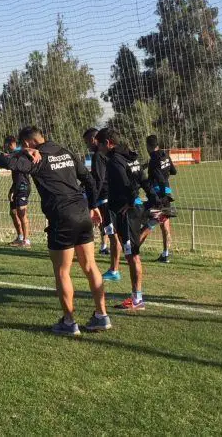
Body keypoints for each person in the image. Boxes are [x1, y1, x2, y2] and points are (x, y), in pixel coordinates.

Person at [0, 126, 111, 335]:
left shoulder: (38, 158)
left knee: (62, 271)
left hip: (62, 217)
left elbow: (8, 162)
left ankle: (69, 321)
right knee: (90, 266)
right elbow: (90, 179)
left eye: (22, 145)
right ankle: (102, 316)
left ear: (27, 143)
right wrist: (93, 205)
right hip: (83, 214)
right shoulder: (65, 151)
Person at [96, 128, 147, 311]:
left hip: (127, 212)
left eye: (100, 144)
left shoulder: (114, 160)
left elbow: (128, 183)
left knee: (132, 255)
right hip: (133, 209)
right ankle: (136, 298)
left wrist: (131, 202)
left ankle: (136, 300)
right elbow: (141, 178)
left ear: (108, 143)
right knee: (132, 253)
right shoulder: (130, 155)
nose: (98, 148)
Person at [83, 128, 122, 281]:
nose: (87, 145)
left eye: (88, 142)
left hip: (105, 200)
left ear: (94, 139)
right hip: (110, 197)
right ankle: (113, 268)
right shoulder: (107, 155)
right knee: (112, 234)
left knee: (113, 236)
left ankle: (114, 270)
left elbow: (98, 180)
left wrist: (92, 202)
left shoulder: (98, 156)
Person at [139, 134, 177, 263]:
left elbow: (155, 178)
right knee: (165, 224)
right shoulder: (165, 155)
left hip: (158, 195)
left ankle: (133, 251)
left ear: (148, 146)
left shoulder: (154, 159)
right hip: (167, 193)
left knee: (150, 223)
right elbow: (174, 171)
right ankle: (166, 254)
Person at [3, 135, 32, 247]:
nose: (6, 147)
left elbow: (22, 153)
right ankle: (20, 237)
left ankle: (26, 240)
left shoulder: (21, 153)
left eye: (7, 145)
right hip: (16, 186)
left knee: (22, 213)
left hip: (23, 186)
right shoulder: (13, 155)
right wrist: (12, 189)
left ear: (12, 143)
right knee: (13, 212)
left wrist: (8, 156)